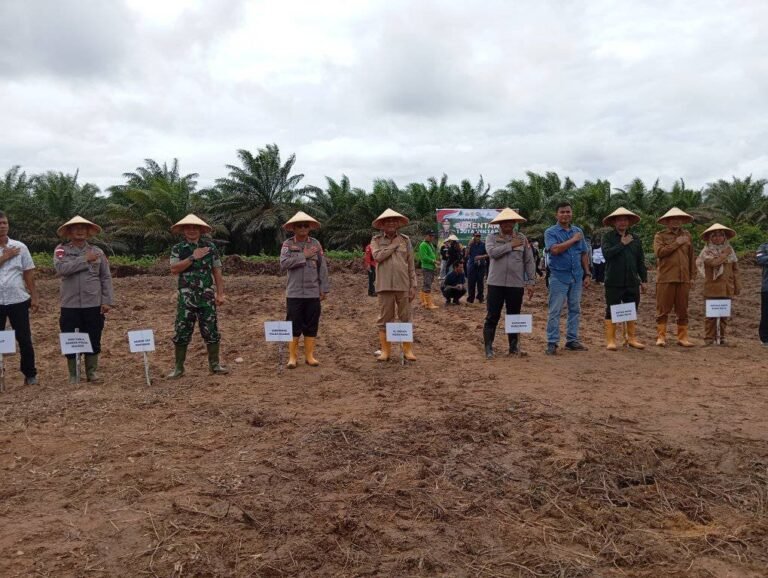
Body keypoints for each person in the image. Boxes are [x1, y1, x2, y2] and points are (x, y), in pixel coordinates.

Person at [54, 216, 114, 384]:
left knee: (94, 335)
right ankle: (74, 373)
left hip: (93, 303)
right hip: (69, 304)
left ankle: (92, 372)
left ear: (88, 232)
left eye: (83, 228)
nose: (80, 231)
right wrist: (84, 259)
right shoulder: (61, 250)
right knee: (69, 336)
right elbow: (61, 269)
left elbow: (105, 277)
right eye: (75, 228)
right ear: (69, 232)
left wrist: (107, 300)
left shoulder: (98, 252)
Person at [167, 214, 228, 378]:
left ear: (201, 230)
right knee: (182, 330)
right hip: (186, 298)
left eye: (195, 228)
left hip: (206, 296)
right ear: (183, 230)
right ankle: (179, 368)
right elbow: (174, 269)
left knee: (211, 329)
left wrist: (220, 293)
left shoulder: (210, 248)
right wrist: (193, 257)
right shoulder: (178, 249)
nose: (192, 230)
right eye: (188, 227)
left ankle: (214, 365)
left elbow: (217, 271)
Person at [483, 208, 536, 358]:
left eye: (510, 222)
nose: (507, 224)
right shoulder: (491, 238)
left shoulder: (522, 238)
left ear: (514, 223)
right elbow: (492, 253)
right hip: (495, 283)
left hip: (516, 284)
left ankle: (513, 347)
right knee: (492, 316)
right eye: (504, 222)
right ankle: (488, 348)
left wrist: (531, 282)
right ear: (499, 224)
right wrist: (511, 245)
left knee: (514, 316)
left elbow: (529, 261)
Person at [280, 211, 330, 367]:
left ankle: (309, 356)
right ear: (293, 228)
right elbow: (283, 264)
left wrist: (324, 288)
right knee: (293, 324)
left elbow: (322, 268)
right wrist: (304, 255)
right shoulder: (288, 244)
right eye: (299, 226)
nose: (303, 228)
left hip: (312, 292)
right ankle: (292, 358)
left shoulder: (316, 244)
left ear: (309, 228)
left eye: (305, 225)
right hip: (294, 292)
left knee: (311, 323)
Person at [544, 202, 590, 355]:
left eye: (568, 212)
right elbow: (555, 250)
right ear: (557, 215)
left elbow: (583, 253)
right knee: (555, 310)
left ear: (572, 214)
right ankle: (552, 342)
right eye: (562, 212)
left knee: (575, 309)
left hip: (576, 277)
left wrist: (587, 273)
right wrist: (573, 240)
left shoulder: (578, 231)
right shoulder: (550, 232)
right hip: (558, 276)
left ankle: (572, 340)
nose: (565, 214)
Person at [371, 209, 417, 361]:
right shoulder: (376, 240)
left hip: (403, 284)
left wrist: (413, 285)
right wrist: (393, 246)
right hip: (384, 286)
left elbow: (411, 264)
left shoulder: (406, 240)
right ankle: (386, 352)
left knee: (406, 317)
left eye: (393, 221)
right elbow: (377, 257)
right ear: (382, 225)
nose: (391, 223)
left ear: (398, 223)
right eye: (387, 221)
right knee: (385, 319)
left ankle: (407, 350)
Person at [0, 211, 39, 385]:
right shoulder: (11, 251)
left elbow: (28, 273)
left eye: (5, 223)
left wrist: (35, 296)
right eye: (0, 223)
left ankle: (30, 374)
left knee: (24, 338)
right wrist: (5, 257)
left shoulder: (21, 247)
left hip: (18, 299)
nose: (3, 226)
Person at [601, 207, 647, 351]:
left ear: (629, 222)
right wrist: (622, 244)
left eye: (625, 219)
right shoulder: (607, 237)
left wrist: (644, 280)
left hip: (632, 280)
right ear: (614, 222)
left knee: (632, 308)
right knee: (611, 309)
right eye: (619, 220)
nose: (622, 222)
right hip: (613, 280)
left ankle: (631, 338)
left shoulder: (636, 238)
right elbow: (607, 254)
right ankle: (611, 340)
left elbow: (640, 260)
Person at [653, 207, 696, 347]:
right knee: (663, 309)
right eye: (672, 219)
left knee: (683, 309)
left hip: (683, 278)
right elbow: (659, 252)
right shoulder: (660, 236)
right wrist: (677, 243)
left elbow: (691, 257)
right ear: (666, 222)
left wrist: (692, 276)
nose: (676, 221)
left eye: (678, 219)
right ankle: (661, 337)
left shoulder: (687, 235)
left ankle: (682, 338)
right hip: (666, 277)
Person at [697, 224, 740, 346]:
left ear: (725, 237)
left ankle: (721, 338)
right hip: (711, 287)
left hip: (727, 287)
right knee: (710, 315)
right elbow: (714, 263)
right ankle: (709, 339)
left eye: (721, 235)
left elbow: (735, 269)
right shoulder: (706, 252)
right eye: (714, 235)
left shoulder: (730, 251)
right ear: (710, 238)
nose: (718, 238)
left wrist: (737, 285)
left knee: (723, 315)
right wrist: (724, 254)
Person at [417, 231, 440, 309]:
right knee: (427, 284)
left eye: (432, 236)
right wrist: (433, 261)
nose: (431, 237)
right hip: (427, 267)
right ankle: (428, 304)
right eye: (430, 236)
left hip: (431, 267)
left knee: (426, 283)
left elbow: (431, 255)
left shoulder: (430, 244)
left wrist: (434, 263)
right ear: (426, 236)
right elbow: (423, 257)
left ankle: (424, 301)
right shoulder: (423, 245)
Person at [466, 231, 488, 304]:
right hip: (472, 265)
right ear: (473, 236)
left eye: (479, 236)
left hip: (481, 266)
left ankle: (480, 297)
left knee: (480, 283)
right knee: (471, 283)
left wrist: (481, 257)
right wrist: (469, 245)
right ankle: (470, 298)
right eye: (476, 236)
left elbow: (488, 254)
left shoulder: (483, 244)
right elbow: (466, 255)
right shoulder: (470, 244)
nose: (478, 237)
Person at [757, 240, 768, 346]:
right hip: (767, 287)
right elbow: (760, 259)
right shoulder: (764, 246)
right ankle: (765, 338)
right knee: (766, 314)